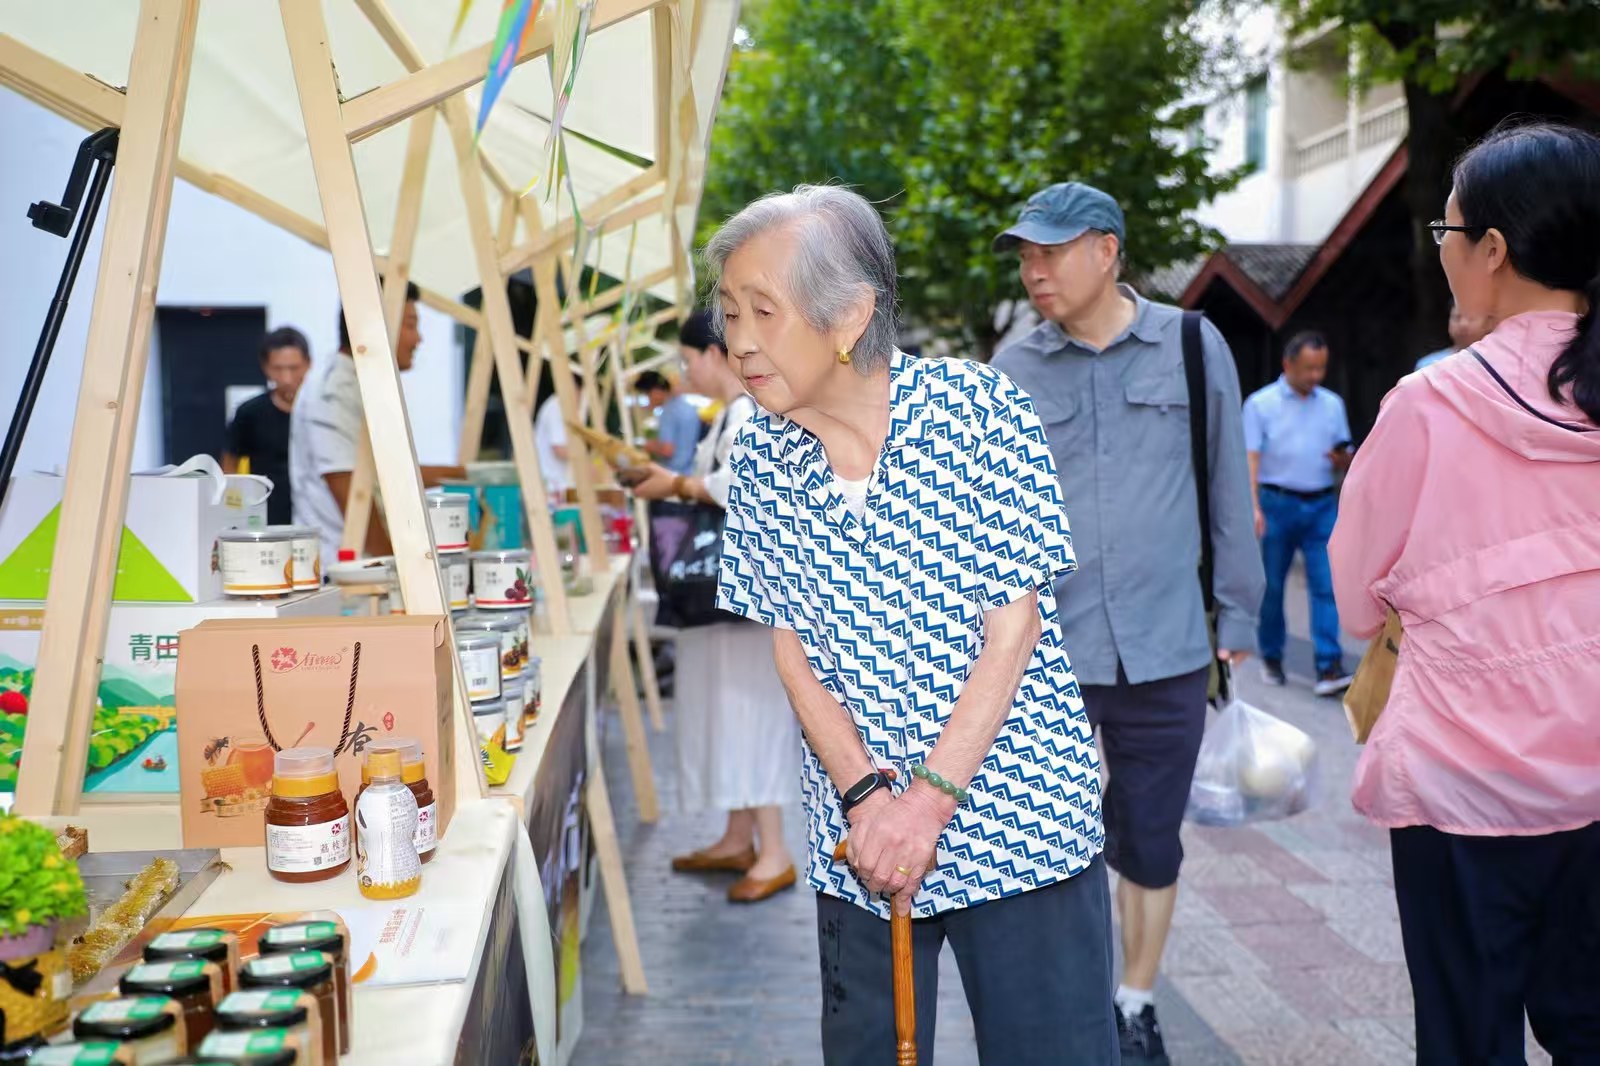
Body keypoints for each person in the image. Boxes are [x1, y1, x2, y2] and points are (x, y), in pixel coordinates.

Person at [706, 185, 1115, 1065]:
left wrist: (926, 803)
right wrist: (867, 800)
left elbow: (1013, 630)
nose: (737, 340)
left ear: (848, 316)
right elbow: (792, 648)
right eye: (730, 312)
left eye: (763, 311)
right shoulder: (763, 454)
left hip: (1017, 818)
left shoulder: (978, 412)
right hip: (859, 839)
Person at [1330, 122, 1600, 1064]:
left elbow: (1358, 602)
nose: (1442, 255)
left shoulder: (1431, 404)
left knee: (1467, 1039)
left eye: (1446, 234)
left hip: (1463, 783)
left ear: (1493, 250)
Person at [992, 181, 1263, 1066]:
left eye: (1050, 253)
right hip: (1044, 656)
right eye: (1025, 256)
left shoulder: (1192, 344)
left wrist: (1239, 618)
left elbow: (1229, 484)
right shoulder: (1015, 369)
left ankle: (1136, 1004)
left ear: (1106, 251)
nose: (1034, 272)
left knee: (1150, 837)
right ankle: (1074, 1006)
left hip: (1170, 644)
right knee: (1050, 841)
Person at [616, 310, 800, 903]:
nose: (684, 368)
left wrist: (673, 486)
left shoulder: (749, 414)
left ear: (715, 354)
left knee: (750, 716)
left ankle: (774, 852)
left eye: (689, 357)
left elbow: (737, 491)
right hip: (728, 601)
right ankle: (740, 835)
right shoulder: (733, 414)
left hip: (744, 603)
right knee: (729, 714)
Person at [289, 283, 462, 568]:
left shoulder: (363, 385)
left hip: (367, 572)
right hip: (346, 578)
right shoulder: (334, 392)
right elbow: (354, 499)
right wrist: (402, 573)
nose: (418, 339)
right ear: (378, 325)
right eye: (410, 325)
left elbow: (390, 475)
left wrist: (467, 474)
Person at [1243, 331, 1355, 696]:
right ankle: (1272, 655)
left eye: (1321, 368)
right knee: (1272, 585)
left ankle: (1329, 665)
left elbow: (1345, 451)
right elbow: (1251, 457)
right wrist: (1253, 505)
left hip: (1322, 503)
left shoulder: (1332, 404)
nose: (1315, 376)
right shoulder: (1261, 404)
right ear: (1287, 364)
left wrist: (1343, 459)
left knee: (1326, 585)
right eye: (1308, 368)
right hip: (1277, 502)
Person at [224, 326, 310, 525]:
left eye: (294, 368)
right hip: (264, 521)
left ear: (308, 364)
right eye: (278, 369)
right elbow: (229, 470)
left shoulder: (322, 411)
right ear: (265, 367)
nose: (286, 378)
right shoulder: (249, 412)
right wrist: (233, 518)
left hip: (314, 519)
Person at [635, 369, 703, 475]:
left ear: (656, 391)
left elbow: (667, 450)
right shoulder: (685, 405)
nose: (648, 400)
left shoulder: (668, 413)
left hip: (676, 474)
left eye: (647, 395)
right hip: (694, 470)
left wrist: (650, 445)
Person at [1414, 302, 1493, 371]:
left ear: (1488, 323)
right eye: (1457, 318)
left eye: (1471, 318)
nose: (1463, 324)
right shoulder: (1427, 366)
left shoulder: (1496, 363)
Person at [533, 392, 571, 501]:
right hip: (551, 485)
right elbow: (559, 449)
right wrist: (586, 463)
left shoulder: (558, 405)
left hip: (555, 484)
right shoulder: (558, 406)